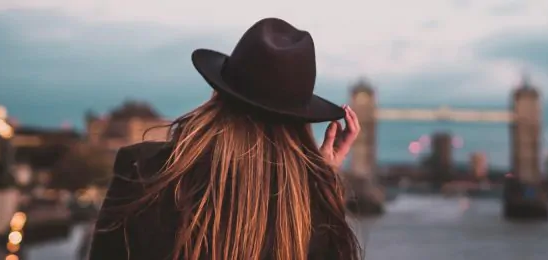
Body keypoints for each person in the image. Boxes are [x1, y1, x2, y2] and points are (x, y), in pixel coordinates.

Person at [88, 17, 362, 260]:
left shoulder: (142, 172)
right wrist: (321, 181)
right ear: (301, 123)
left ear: (219, 94)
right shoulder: (315, 217)